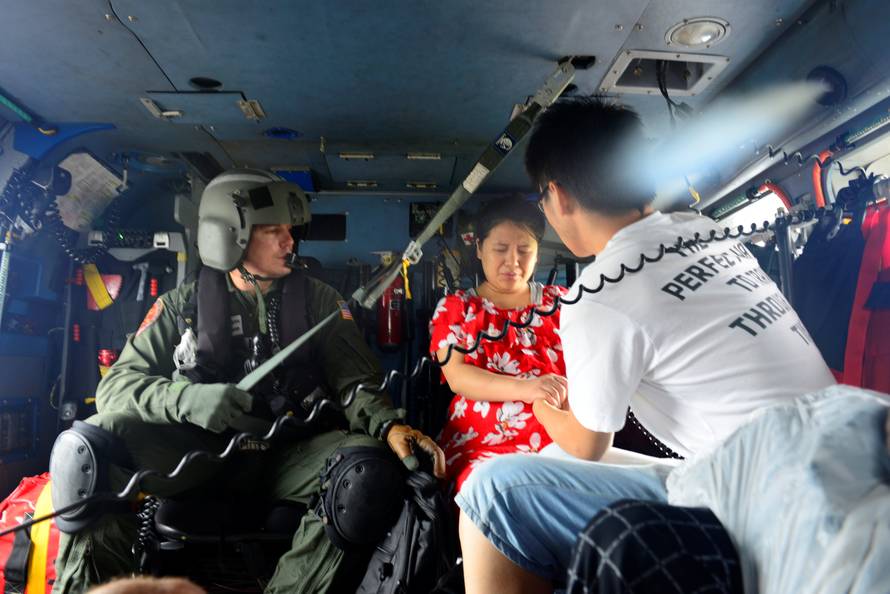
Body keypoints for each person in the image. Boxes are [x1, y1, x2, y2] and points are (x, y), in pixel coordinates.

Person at [456, 97, 836, 593]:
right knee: (549, 460)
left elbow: (588, 445)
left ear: (558, 196)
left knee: (490, 495)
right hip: (830, 456)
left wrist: (539, 400)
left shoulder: (598, 295)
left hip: (767, 501)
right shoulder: (710, 233)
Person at [51, 169, 445, 594]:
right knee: (90, 447)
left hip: (291, 455)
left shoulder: (321, 302)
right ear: (229, 237)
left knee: (365, 467)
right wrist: (186, 399)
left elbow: (356, 384)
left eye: (290, 230)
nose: (289, 241)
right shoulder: (181, 305)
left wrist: (388, 425)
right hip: (198, 449)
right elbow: (115, 390)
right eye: (273, 231)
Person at [430, 197, 595, 492]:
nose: (512, 262)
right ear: (479, 248)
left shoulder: (565, 302)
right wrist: (528, 389)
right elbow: (457, 377)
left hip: (560, 435)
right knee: (488, 490)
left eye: (524, 250)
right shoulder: (456, 308)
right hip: (481, 443)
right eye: (500, 249)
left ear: (537, 253)